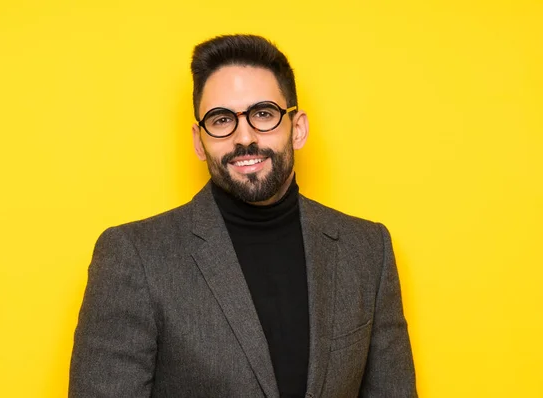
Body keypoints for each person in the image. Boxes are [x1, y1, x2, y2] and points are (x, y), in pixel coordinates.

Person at [69, 34, 417, 398]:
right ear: (198, 141)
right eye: (221, 120)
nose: (244, 137)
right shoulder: (134, 256)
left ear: (297, 128)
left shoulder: (367, 251)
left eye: (263, 114)